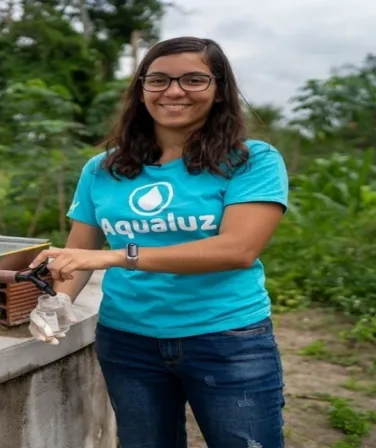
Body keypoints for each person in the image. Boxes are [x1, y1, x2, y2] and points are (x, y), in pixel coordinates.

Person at [28, 36, 289, 448]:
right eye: (159, 79)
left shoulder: (251, 160)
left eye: (193, 79)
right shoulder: (103, 168)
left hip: (226, 338)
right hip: (127, 341)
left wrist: (118, 256)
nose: (174, 91)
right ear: (141, 89)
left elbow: (237, 249)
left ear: (220, 89)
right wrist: (59, 299)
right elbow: (79, 252)